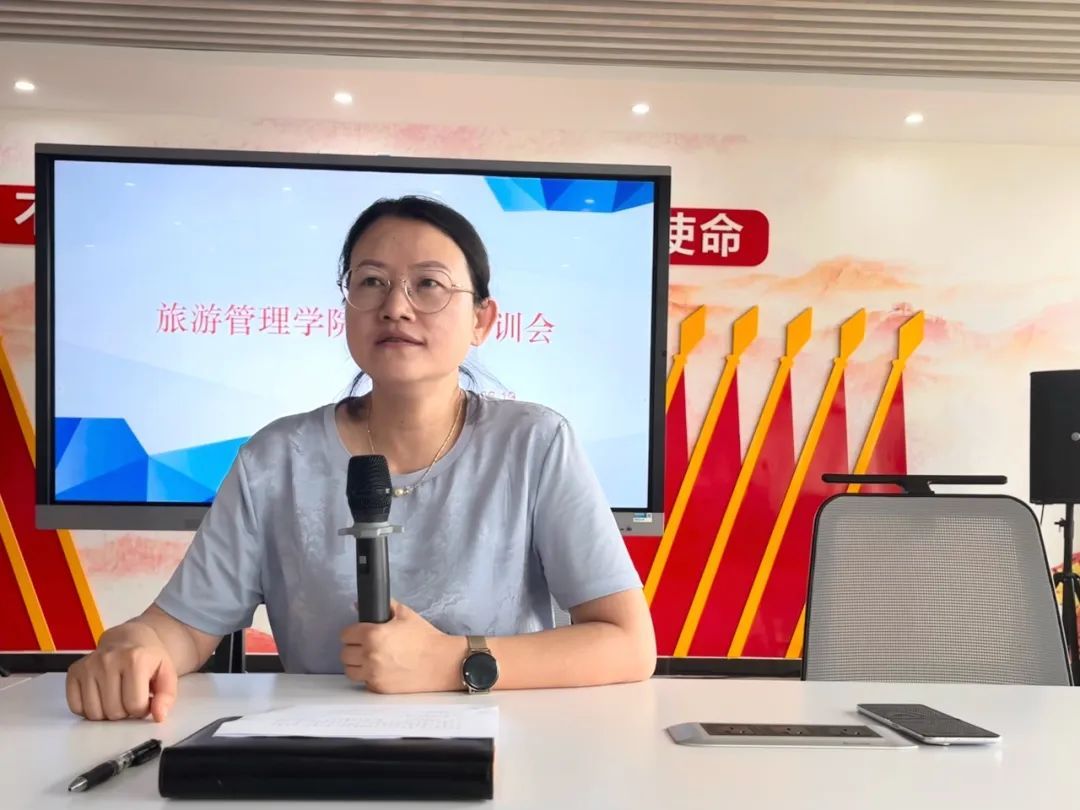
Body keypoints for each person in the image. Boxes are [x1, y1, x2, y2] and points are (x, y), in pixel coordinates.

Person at [66, 195, 656, 722]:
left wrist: (451, 661)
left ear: (481, 320)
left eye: (429, 284)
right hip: (323, 760)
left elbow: (628, 643)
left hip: (501, 760)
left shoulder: (535, 443)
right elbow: (183, 628)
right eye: (371, 281)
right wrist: (134, 645)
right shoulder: (276, 458)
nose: (395, 306)